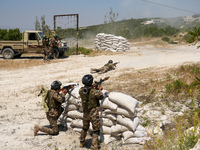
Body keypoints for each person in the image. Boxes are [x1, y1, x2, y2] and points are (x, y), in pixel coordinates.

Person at [79, 74, 104, 150]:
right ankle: (94, 145)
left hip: (85, 113)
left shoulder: (81, 90)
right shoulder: (94, 91)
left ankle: (82, 141)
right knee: (96, 130)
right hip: (94, 114)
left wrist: (94, 87)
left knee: (85, 128)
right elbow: (101, 97)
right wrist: (99, 89)